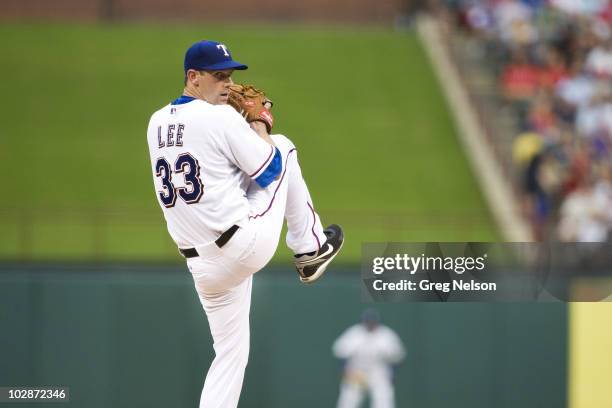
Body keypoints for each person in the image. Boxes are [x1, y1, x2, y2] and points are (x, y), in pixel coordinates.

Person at [146, 40, 344, 408]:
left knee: (230, 356)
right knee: (282, 147)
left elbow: (216, 163)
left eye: (230, 75)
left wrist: (239, 124)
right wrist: (257, 121)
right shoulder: (219, 118)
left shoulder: (156, 122)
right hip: (242, 245)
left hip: (202, 268)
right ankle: (310, 248)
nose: (228, 84)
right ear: (193, 77)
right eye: (219, 76)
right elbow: (270, 171)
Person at [333, 310, 405, 408]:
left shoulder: (386, 334)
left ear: (377, 322)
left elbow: (397, 356)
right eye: (368, 321)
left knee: (383, 400)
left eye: (372, 321)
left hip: (378, 371)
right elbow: (340, 352)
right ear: (363, 322)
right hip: (357, 371)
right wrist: (345, 369)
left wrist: (392, 372)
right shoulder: (354, 333)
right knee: (349, 400)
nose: (370, 324)